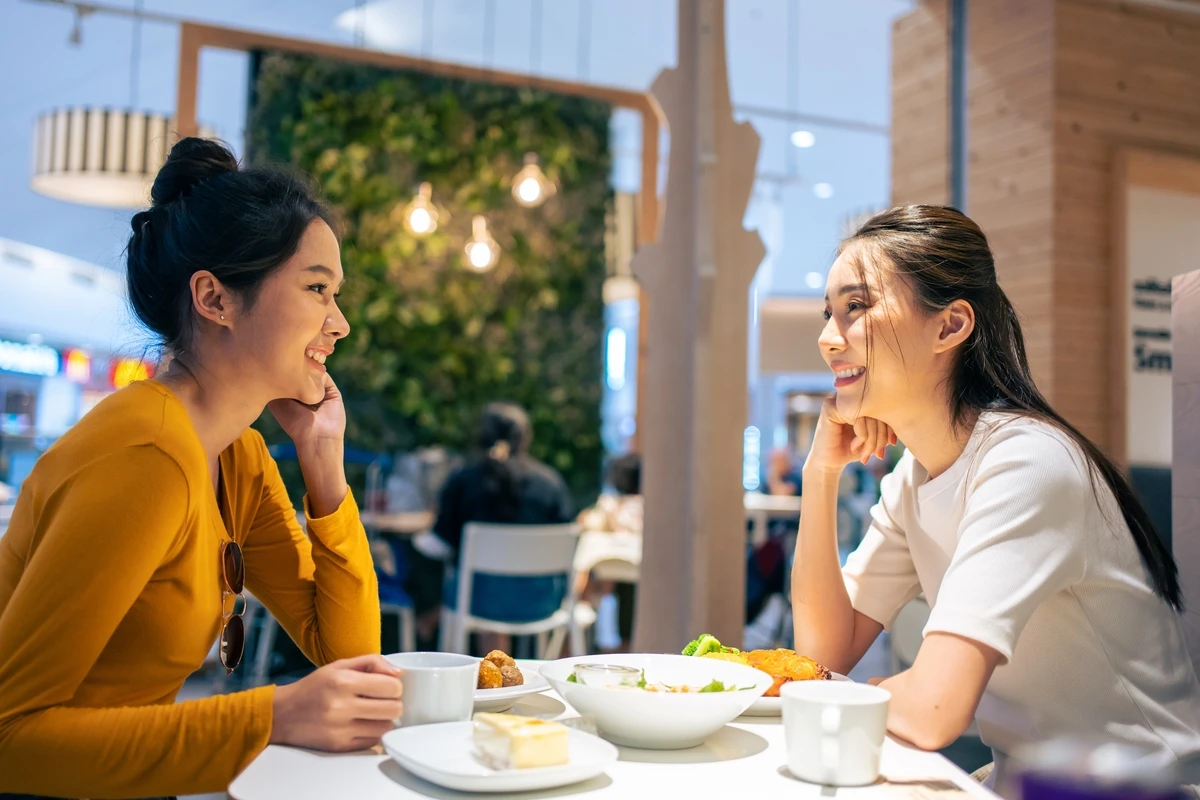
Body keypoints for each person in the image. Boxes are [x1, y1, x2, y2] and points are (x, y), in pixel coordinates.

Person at [0, 138, 403, 799]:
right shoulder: (146, 457)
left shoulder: (234, 454)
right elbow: (9, 741)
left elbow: (347, 655)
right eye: (316, 289)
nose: (342, 323)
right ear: (215, 299)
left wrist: (323, 462)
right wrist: (269, 717)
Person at [792, 205, 1200, 795]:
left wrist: (842, 696)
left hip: (1139, 790)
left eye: (856, 308)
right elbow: (823, 652)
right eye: (828, 313)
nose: (830, 339)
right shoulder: (912, 480)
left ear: (950, 326)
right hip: (1024, 783)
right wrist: (818, 476)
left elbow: (934, 710)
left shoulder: (1026, 461)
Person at [408, 403, 573, 653]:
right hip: (541, 601)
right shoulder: (550, 483)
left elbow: (439, 543)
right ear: (526, 437)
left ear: (481, 436)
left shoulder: (464, 479)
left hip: (478, 601)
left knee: (453, 578)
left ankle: (432, 628)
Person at [576, 453, 643, 651]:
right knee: (628, 592)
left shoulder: (609, 503)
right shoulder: (646, 505)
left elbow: (587, 522)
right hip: (637, 570)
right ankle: (626, 645)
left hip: (606, 570)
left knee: (594, 567)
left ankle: (582, 604)